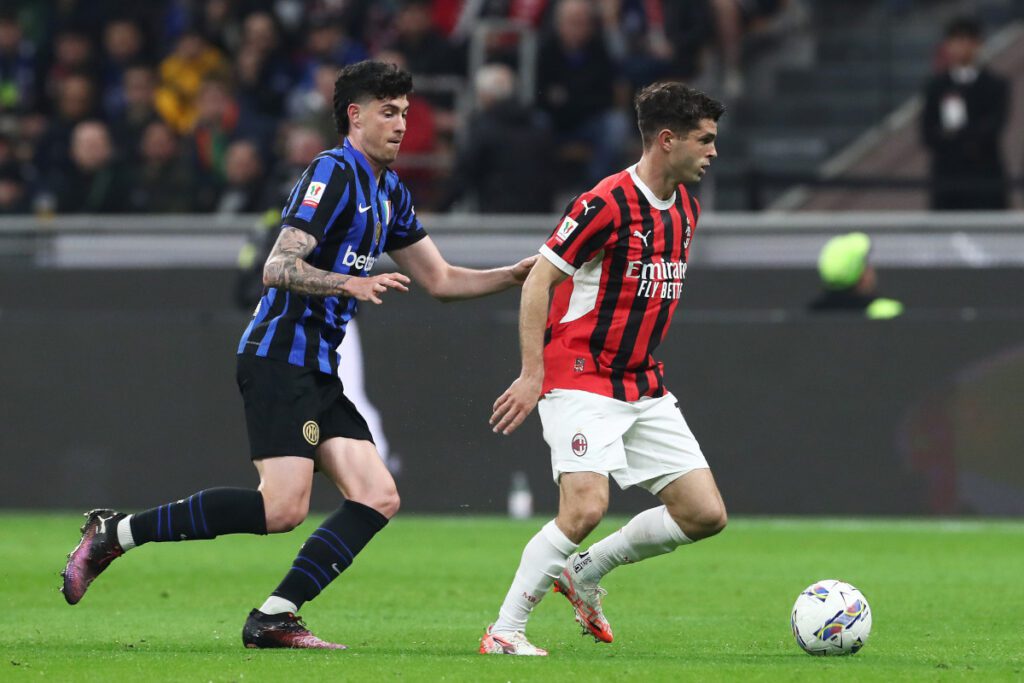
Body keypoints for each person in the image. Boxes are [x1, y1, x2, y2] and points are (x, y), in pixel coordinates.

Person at [61, 60, 537, 650]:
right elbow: (277, 266)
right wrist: (348, 284)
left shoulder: (390, 191)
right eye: (388, 113)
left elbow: (440, 280)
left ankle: (275, 616)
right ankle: (117, 532)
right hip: (278, 355)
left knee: (378, 495)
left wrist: (513, 276)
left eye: (406, 114)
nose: (400, 125)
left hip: (318, 365)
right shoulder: (331, 173)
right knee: (282, 508)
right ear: (355, 116)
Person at [480, 81, 727, 656]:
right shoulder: (605, 202)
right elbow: (539, 279)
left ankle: (585, 571)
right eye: (705, 140)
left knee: (704, 514)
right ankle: (505, 630)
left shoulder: (687, 206)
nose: (714, 152)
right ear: (667, 141)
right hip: (580, 374)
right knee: (586, 505)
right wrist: (531, 372)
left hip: (641, 380)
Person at [920, 16, 1010, 211]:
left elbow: (994, 125)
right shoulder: (936, 87)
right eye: (955, 40)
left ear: (978, 44)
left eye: (966, 40)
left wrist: (958, 136)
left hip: (985, 180)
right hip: (947, 182)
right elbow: (928, 132)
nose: (960, 47)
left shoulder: (995, 86)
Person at [808, 232, 903, 319]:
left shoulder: (810, 314)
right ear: (861, 276)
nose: (871, 269)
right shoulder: (888, 314)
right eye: (865, 263)